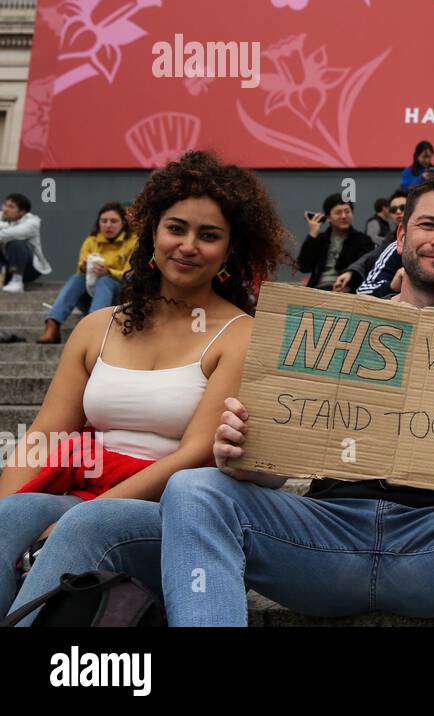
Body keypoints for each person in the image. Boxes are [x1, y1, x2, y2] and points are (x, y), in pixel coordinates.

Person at [158, 175, 434, 626]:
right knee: (193, 489)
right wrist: (247, 458)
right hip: (322, 539)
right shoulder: (334, 327)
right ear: (401, 237)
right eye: (427, 226)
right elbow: (273, 472)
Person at [2, 151, 288, 620]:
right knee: (6, 519)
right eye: (176, 228)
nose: (188, 245)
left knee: (87, 524)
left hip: (173, 515)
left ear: (230, 250)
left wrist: (75, 517)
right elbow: (44, 435)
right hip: (80, 491)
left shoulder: (241, 334)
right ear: (152, 232)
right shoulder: (97, 326)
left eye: (209, 235)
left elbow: (194, 454)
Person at [38, 202, 139, 345]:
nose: (108, 225)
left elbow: (130, 274)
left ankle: (93, 329)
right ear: (98, 223)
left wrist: (108, 272)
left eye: (113, 221)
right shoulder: (91, 241)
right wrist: (85, 267)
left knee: (105, 281)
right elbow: (80, 268)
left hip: (119, 297)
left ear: (123, 223)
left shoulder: (133, 241)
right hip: (93, 298)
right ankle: (52, 325)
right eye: (104, 221)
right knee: (77, 278)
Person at [297, 193, 374, 291]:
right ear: (328, 217)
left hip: (346, 290)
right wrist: (312, 236)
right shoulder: (321, 239)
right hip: (317, 289)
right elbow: (303, 267)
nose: (343, 216)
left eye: (347, 211)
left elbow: (364, 267)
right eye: (338, 213)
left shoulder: (363, 240)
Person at [333, 191, 406, 294]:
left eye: (403, 208)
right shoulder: (389, 240)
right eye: (394, 209)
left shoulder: (362, 238)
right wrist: (351, 272)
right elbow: (371, 255)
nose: (398, 212)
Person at [0, 193, 52, 293]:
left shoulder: (32, 222)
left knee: (16, 242)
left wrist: (3, 226)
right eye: (5, 205)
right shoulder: (3, 216)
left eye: (11, 207)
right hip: (6, 267)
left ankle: (17, 281)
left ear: (22, 212)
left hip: (29, 269)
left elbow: (10, 234)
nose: (6, 209)